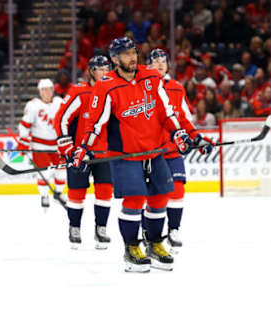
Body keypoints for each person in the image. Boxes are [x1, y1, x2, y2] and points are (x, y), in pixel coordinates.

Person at [73, 37, 214, 272]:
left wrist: (181, 133)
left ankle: (155, 243)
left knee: (160, 197)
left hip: (155, 150)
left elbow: (167, 111)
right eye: (126, 54)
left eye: (134, 52)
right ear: (115, 59)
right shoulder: (106, 85)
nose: (132, 57)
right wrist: (83, 147)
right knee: (135, 200)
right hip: (125, 154)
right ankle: (131, 249)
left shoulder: (151, 76)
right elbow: (97, 123)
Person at [54, 55, 113, 250]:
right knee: (77, 193)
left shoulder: (113, 91)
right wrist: (68, 148)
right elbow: (61, 119)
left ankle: (101, 229)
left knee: (105, 192)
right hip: (81, 153)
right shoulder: (80, 92)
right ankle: (74, 227)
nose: (104, 73)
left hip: (105, 152)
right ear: (91, 71)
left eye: (107, 69)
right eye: (100, 69)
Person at [146, 48, 197, 253]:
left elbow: (185, 116)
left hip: (173, 148)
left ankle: (173, 230)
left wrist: (193, 136)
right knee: (150, 195)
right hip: (150, 150)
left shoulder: (176, 87)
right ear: (149, 65)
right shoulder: (143, 86)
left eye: (163, 61)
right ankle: (147, 231)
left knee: (177, 190)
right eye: (155, 60)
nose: (160, 64)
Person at [17, 79, 66, 210]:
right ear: (40, 91)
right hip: (40, 146)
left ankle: (59, 193)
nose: (47, 92)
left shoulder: (60, 103)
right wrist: (23, 141)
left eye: (50, 89)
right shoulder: (33, 105)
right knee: (43, 173)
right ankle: (44, 195)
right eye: (44, 89)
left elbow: (66, 122)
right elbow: (25, 125)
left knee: (61, 172)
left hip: (57, 145)